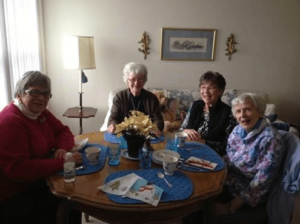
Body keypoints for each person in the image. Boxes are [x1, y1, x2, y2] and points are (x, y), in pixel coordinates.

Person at [0, 71, 82, 224]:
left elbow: (64, 131)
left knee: (75, 195)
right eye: (34, 92)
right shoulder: (10, 122)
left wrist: (62, 148)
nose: (41, 98)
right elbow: (19, 170)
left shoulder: (41, 113)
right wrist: (63, 162)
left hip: (40, 179)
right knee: (72, 201)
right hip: (16, 193)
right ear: (19, 94)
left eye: (46, 94)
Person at [213, 93, 284, 216]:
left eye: (247, 110)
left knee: (199, 208)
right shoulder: (238, 130)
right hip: (227, 180)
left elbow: (262, 180)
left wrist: (231, 207)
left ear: (259, 111)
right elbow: (228, 157)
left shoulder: (270, 139)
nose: (242, 115)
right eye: (238, 111)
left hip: (244, 193)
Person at [182, 71, 237, 156]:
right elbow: (182, 129)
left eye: (210, 88)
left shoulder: (228, 113)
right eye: (203, 87)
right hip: (189, 149)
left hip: (211, 154)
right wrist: (185, 130)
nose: (206, 91)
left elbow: (227, 145)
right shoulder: (195, 105)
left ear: (220, 91)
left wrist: (203, 142)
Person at [107, 62, 164, 134]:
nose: (136, 83)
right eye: (133, 79)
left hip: (146, 135)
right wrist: (113, 125)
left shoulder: (152, 98)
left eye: (140, 79)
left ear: (144, 81)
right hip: (125, 135)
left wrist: (155, 127)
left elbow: (158, 119)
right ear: (127, 81)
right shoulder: (120, 97)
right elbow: (113, 118)